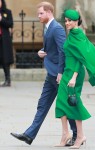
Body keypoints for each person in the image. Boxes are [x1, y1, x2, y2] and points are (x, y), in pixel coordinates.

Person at [10, 2, 77, 146]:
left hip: (57, 75)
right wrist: (42, 51)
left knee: (66, 104)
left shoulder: (57, 28)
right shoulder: (48, 27)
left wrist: (60, 72)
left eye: (41, 13)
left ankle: (77, 135)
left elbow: (63, 51)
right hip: (51, 73)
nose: (38, 16)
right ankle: (29, 135)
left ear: (49, 12)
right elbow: (52, 47)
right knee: (43, 104)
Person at [55, 9, 95, 149]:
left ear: (76, 21)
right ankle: (65, 134)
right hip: (67, 71)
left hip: (74, 73)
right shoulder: (72, 34)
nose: (67, 23)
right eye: (66, 21)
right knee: (61, 102)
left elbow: (79, 58)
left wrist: (74, 77)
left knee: (73, 102)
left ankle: (80, 136)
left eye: (70, 20)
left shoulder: (78, 34)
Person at [0, 0, 14, 87]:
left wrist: (2, 19)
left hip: (4, 39)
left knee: (5, 59)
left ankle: (8, 80)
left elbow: (10, 24)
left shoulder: (7, 12)